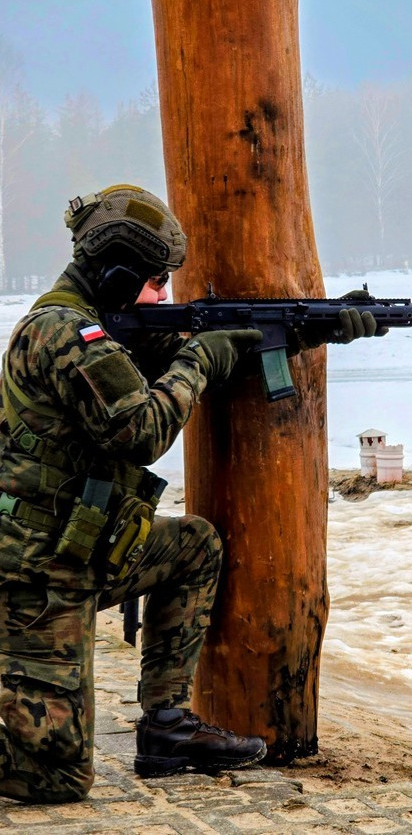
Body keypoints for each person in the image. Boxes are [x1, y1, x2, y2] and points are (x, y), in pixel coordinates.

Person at [0, 184, 380, 803]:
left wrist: (319, 325)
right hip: (34, 581)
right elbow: (142, 428)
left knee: (194, 547)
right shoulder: (64, 333)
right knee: (57, 778)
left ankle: (167, 726)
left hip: (80, 554)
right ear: (117, 272)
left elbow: (210, 347)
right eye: (155, 281)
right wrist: (201, 357)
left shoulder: (101, 328)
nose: (164, 295)